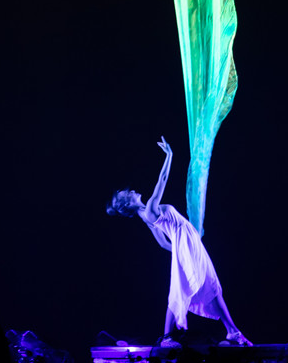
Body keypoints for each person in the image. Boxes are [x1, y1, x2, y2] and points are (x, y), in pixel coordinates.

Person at [107, 137, 252, 347]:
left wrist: (182, 249)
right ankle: (168, 337)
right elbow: (162, 179)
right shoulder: (150, 209)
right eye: (128, 193)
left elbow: (162, 243)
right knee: (181, 289)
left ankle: (232, 331)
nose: (133, 191)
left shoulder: (146, 216)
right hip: (186, 245)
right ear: (128, 203)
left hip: (187, 245)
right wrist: (169, 155)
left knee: (210, 286)